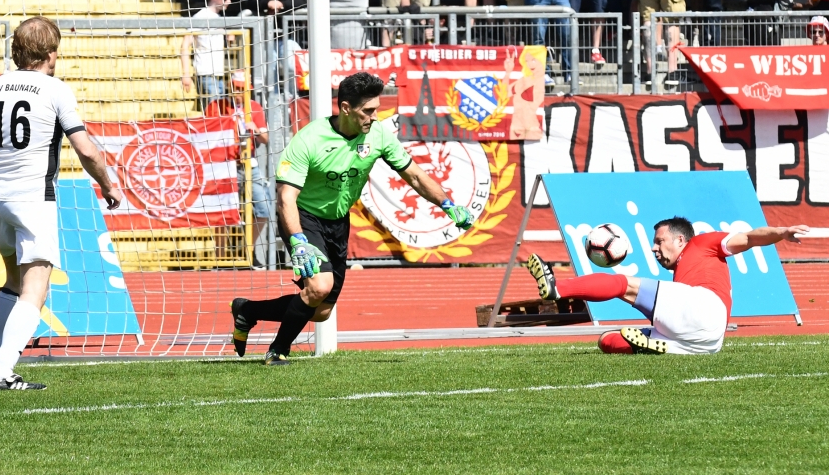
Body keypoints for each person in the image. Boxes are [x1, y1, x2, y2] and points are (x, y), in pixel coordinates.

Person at [230, 72, 475, 364]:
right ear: (346, 108)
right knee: (319, 287)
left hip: (338, 222)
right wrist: (297, 241)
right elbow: (286, 198)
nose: (374, 116)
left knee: (320, 311)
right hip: (303, 217)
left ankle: (247, 311)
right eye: (368, 111)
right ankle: (277, 351)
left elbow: (415, 176)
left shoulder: (379, 134)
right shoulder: (309, 140)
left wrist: (448, 204)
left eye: (376, 109)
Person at [0, 16, 123, 390]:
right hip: (33, 197)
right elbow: (86, 150)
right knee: (36, 289)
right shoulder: (54, 89)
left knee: (13, 282)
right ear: (51, 53)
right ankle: (3, 370)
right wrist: (108, 184)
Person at [527, 217, 808, 355]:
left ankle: (557, 288)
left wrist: (782, 232)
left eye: (660, 241)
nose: (654, 248)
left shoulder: (702, 243)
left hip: (704, 307)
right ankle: (649, 346)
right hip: (708, 342)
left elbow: (749, 237)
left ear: (681, 240)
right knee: (607, 340)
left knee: (624, 284)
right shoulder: (683, 278)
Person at [204, 71, 271, 259]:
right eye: (235, 88)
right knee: (222, 212)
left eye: (242, 89)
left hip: (249, 163)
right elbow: (203, 133)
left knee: (263, 210)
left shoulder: (255, 107)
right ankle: (220, 257)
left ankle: (248, 252)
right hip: (224, 165)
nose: (237, 93)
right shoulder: (216, 106)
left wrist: (255, 129)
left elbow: (265, 138)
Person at [181, 0, 234, 107]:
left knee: (218, 114)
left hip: (219, 74)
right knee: (213, 114)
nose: (229, 2)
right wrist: (186, 74)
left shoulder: (218, 18)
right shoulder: (201, 17)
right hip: (206, 73)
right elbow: (185, 45)